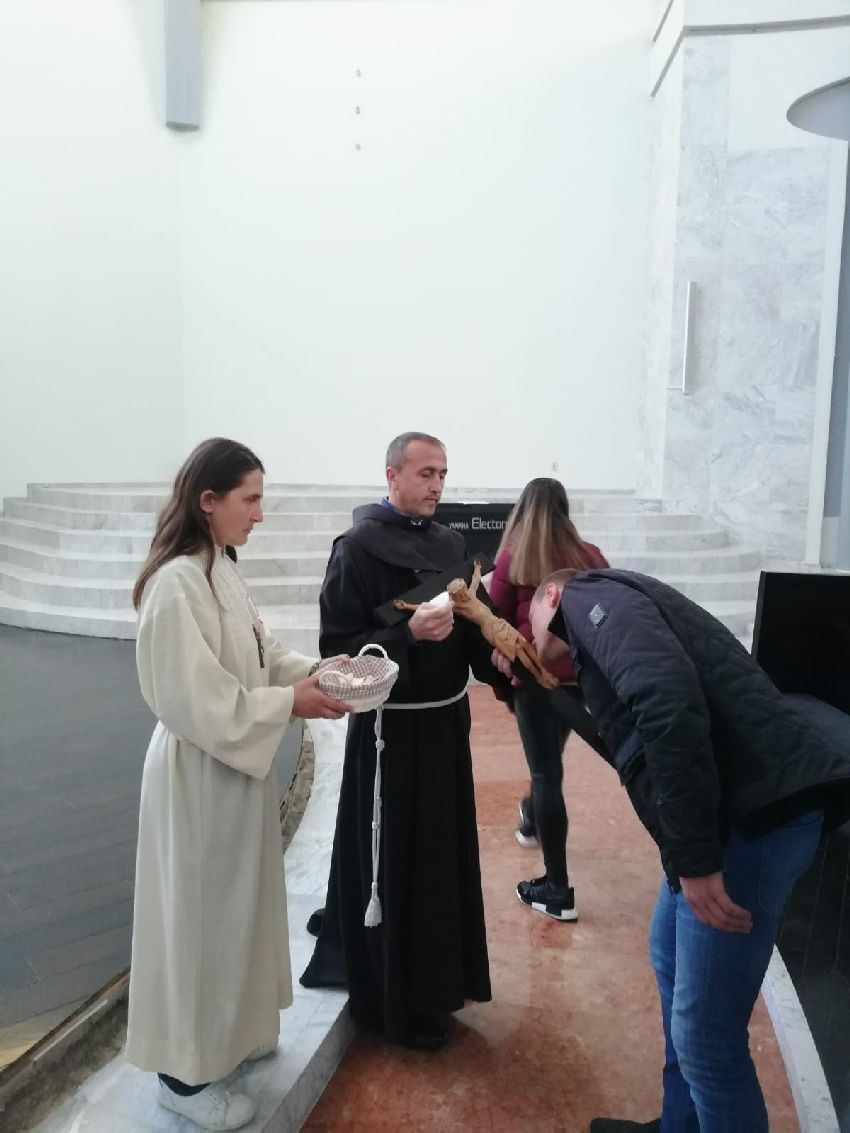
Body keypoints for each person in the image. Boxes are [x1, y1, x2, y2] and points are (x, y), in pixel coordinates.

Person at [522, 566, 850, 1133]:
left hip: (751, 819)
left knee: (706, 1039)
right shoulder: (606, 618)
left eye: (528, 617)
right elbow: (632, 741)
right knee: (670, 958)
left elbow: (667, 702)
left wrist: (696, 861)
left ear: (550, 594)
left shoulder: (588, 598)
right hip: (729, 811)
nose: (528, 633)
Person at [126, 438, 351, 1133]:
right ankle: (184, 1078)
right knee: (198, 924)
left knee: (235, 914)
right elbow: (192, 699)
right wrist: (290, 703)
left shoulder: (219, 566)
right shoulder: (174, 584)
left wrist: (315, 673)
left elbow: (259, 652)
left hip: (234, 772)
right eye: (249, 499)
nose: (259, 513)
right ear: (208, 500)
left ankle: (233, 1033)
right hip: (198, 774)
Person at [300, 431, 508, 1051]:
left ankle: (440, 981)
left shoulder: (451, 545)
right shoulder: (357, 549)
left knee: (439, 855)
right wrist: (407, 636)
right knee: (391, 858)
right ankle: (396, 996)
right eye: (424, 473)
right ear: (391, 476)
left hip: (444, 726)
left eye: (442, 473)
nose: (436, 485)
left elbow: (474, 626)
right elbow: (336, 652)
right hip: (388, 732)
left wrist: (499, 656)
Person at [489, 478, 608, 921]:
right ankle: (531, 814)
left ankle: (557, 889)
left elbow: (495, 620)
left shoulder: (514, 556)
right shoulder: (590, 556)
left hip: (535, 679)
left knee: (546, 774)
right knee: (548, 766)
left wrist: (507, 680)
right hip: (579, 682)